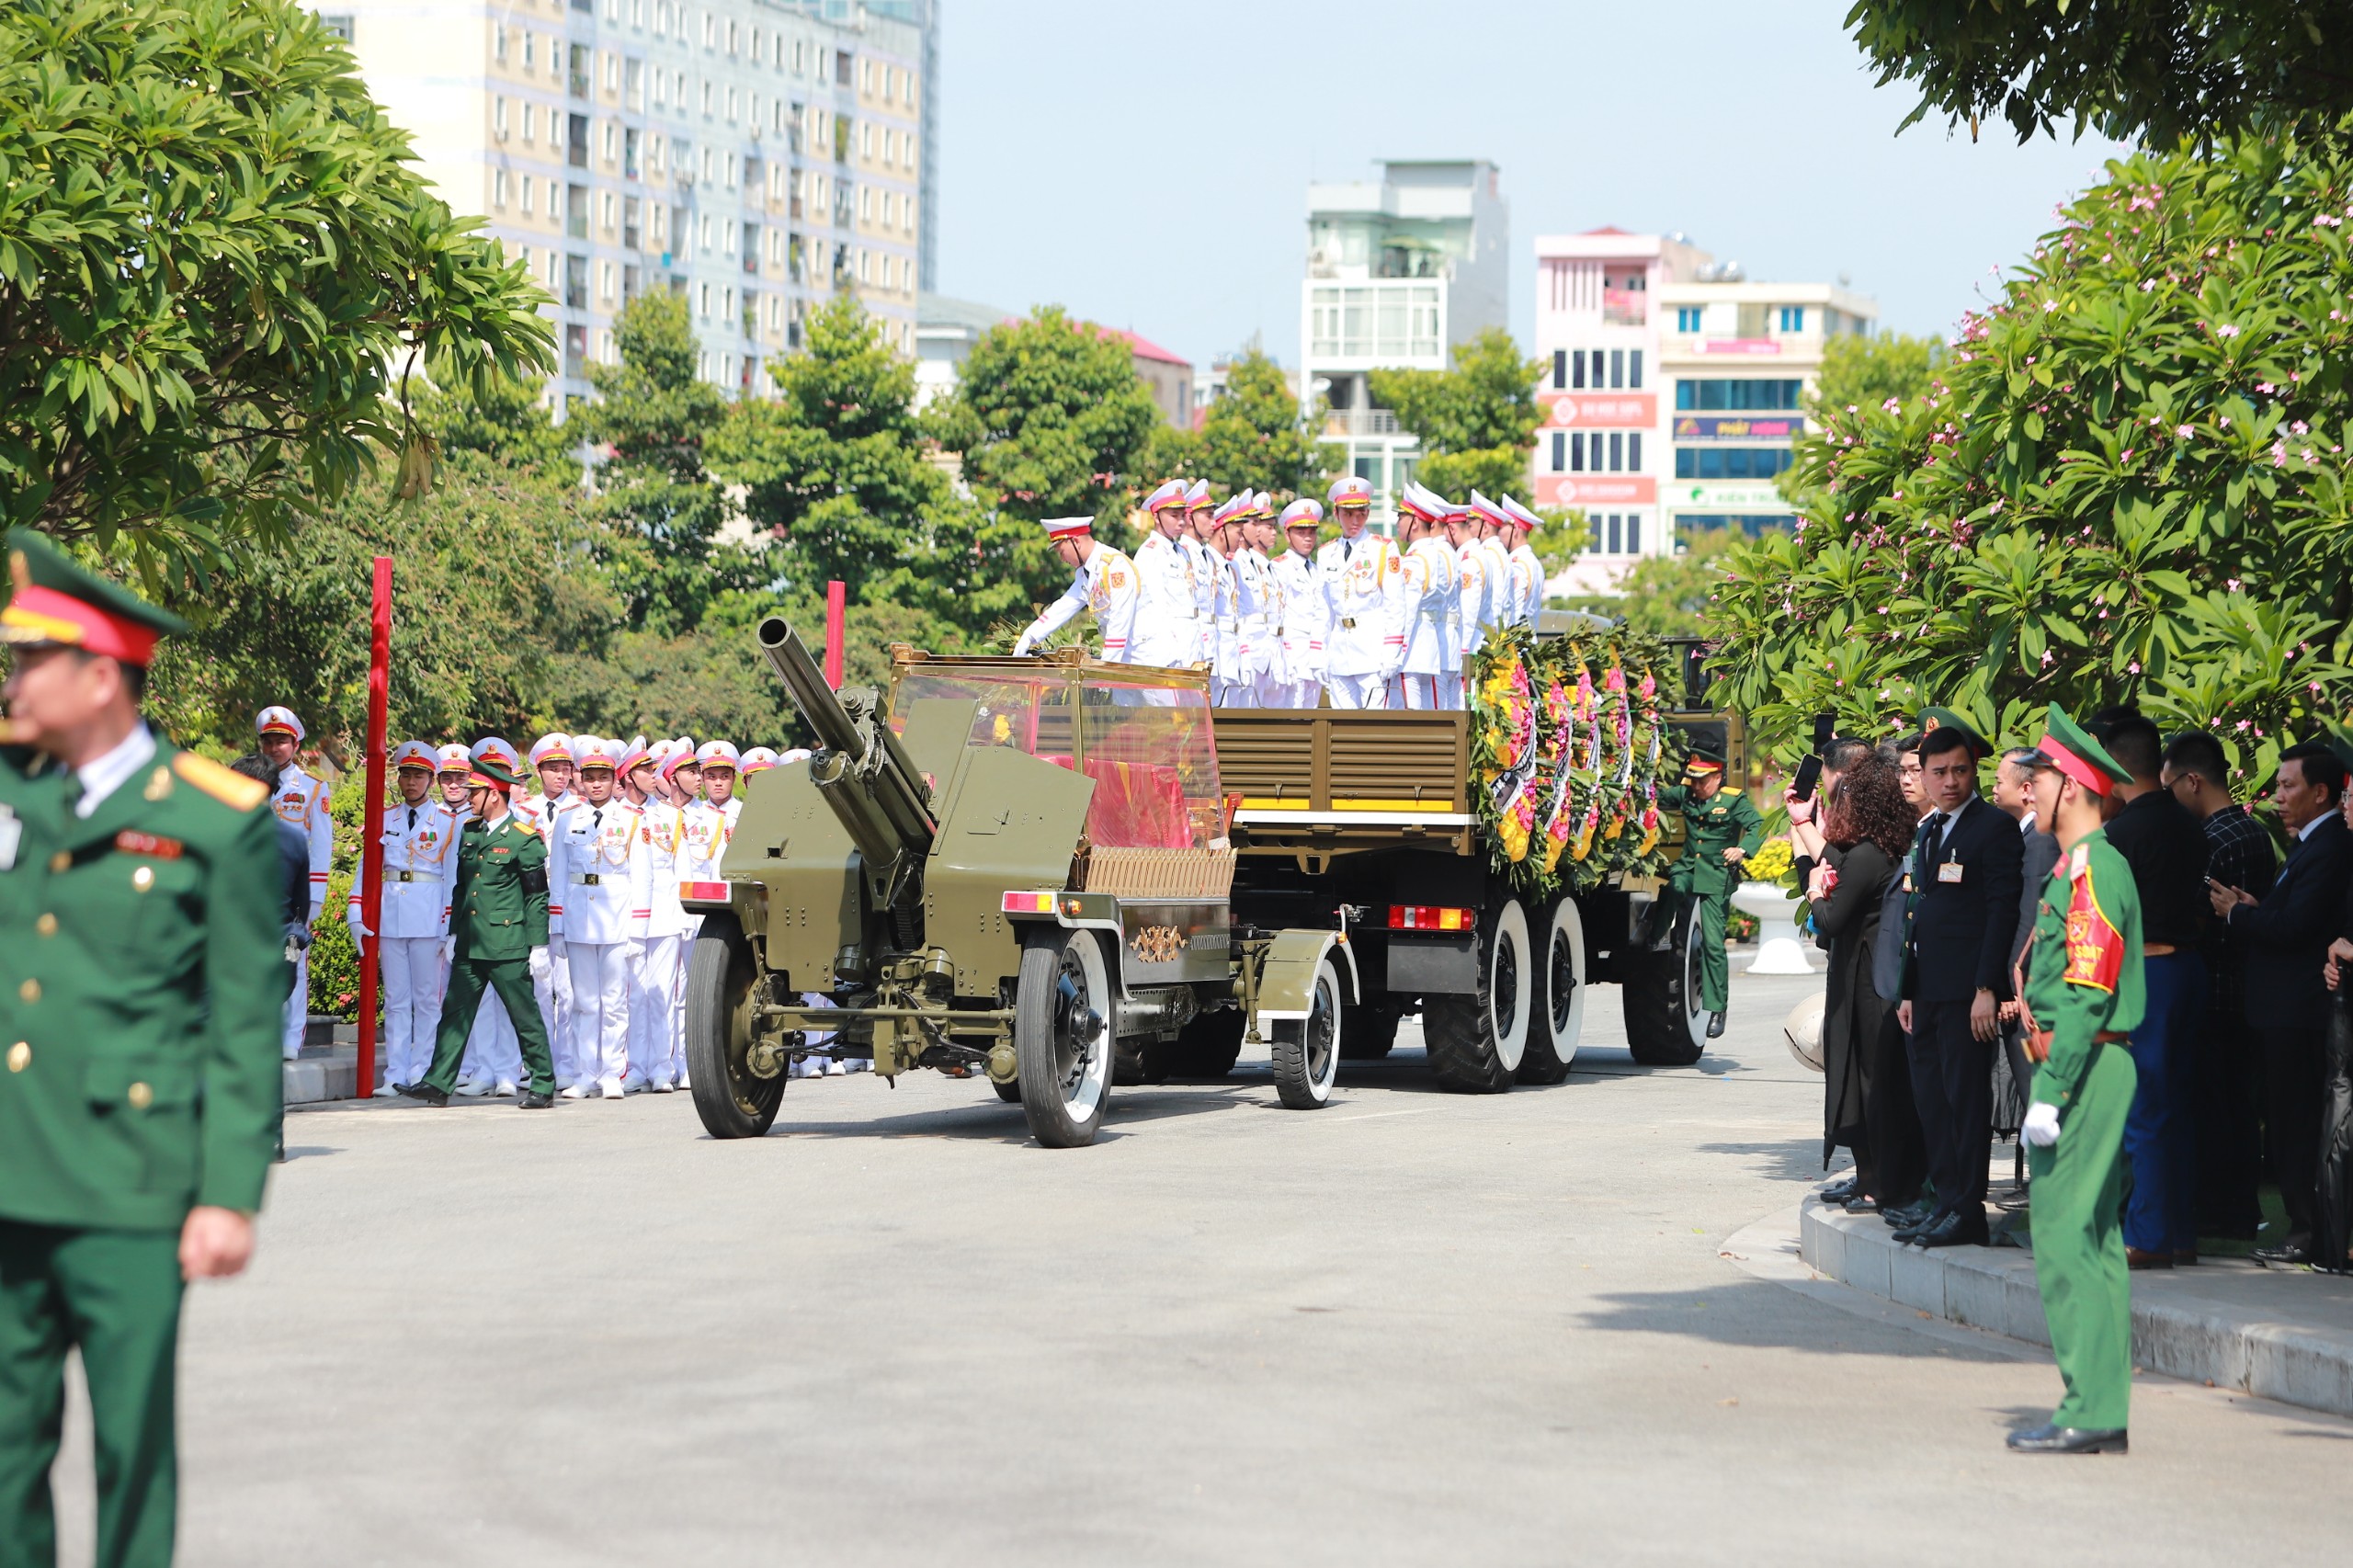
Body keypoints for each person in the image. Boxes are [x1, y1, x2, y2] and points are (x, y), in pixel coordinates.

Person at [1, 528, 283, 1564]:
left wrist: (227, 1192)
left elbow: (245, 1023)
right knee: (3, 1453)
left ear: (103, 674)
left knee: (130, 1451)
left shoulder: (214, 821)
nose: (15, 677)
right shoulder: (11, 791)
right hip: (8, 1174)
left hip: (129, 1187)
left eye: (33, 658)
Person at [2004, 707, 2143, 1454]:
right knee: (2094, 1239)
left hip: (2080, 1064)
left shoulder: (2093, 867)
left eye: (2043, 778)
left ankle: (2089, 1405)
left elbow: (2088, 991)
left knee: (2062, 1235)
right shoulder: (2079, 865)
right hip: (2083, 1060)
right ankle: (2099, 1405)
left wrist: (2051, 1093)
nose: (2031, 791)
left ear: (2077, 786)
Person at [2210, 741, 2353, 1265]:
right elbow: (2289, 913)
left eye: (2289, 786)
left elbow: (2298, 927)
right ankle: (2305, 1224)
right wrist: (2256, 907)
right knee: (2288, 1119)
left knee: (2298, 1123)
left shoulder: (2333, 843)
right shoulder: (2310, 843)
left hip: (2300, 1011)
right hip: (2280, 1010)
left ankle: (2309, 1228)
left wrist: (2237, 916)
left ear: (2322, 792)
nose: (2278, 797)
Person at [1895, 712, 2024, 1249]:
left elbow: (2001, 912)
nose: (1950, 781)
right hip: (1926, 992)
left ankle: (1967, 1210)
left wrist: (1987, 989)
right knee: (1932, 1099)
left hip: (1968, 993)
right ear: (1923, 775)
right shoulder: (1929, 830)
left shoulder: (1990, 828)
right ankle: (1946, 1200)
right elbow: (1917, 914)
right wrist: (1907, 989)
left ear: (1974, 772)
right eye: (1940, 772)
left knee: (1964, 1102)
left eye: (1961, 771)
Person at [2091, 711, 2211, 1267]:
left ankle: (2147, 1236)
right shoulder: (2190, 822)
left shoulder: (2119, 835)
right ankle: (2180, 1233)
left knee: (2143, 1110)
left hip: (2146, 975)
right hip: (2187, 969)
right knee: (2181, 1106)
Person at [2162, 728, 2278, 1244]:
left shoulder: (2211, 840)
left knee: (2212, 1105)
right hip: (2247, 989)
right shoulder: (2253, 832)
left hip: (2212, 988)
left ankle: (2222, 1208)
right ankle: (2240, 1205)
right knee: (2236, 1105)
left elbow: (2197, 918)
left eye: (2168, 788)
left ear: (2192, 782)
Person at [401, 756, 558, 1110]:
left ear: (495, 795)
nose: (468, 796)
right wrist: (454, 932)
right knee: (454, 1012)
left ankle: (543, 1083)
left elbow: (536, 896)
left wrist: (538, 946)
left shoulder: (524, 838)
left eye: (475, 792)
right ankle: (438, 1082)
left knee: (524, 1016)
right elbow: (462, 888)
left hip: (506, 944)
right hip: (471, 942)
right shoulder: (470, 832)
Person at [1805, 752, 1919, 1210]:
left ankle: (1878, 1182)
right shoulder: (1882, 849)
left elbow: (1831, 919)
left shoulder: (1869, 855)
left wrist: (1814, 892)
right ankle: (1871, 1180)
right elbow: (1844, 864)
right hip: (1869, 982)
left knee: (1867, 1085)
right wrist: (1805, 829)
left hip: (1865, 988)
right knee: (1866, 1084)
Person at [344, 740, 459, 1096]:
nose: (411, 783)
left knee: (427, 999)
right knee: (395, 999)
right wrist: (354, 909)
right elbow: (367, 868)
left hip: (427, 918)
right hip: (390, 917)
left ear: (431, 779)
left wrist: (448, 927)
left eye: (419, 776)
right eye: (406, 775)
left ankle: (422, 1069)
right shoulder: (385, 817)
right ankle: (395, 1072)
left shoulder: (447, 822)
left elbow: (452, 877)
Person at [549, 737, 649, 1099]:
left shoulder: (632, 820)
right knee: (583, 1002)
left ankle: (611, 1072)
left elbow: (643, 877)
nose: (595, 783)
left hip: (616, 914)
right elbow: (557, 876)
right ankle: (583, 1073)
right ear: (580, 778)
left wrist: (638, 929)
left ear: (614, 779)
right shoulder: (566, 821)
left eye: (602, 776)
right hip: (578, 915)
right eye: (589, 776)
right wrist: (556, 925)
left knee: (614, 1001)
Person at [1653, 746, 1765, 1039]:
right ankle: (1656, 937)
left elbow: (1758, 826)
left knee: (1714, 946)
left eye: (1703, 781)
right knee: (1673, 888)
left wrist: (1742, 849)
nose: (1697, 787)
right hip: (1689, 868)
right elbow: (1655, 796)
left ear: (1717, 777)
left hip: (1716, 876)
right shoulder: (1686, 793)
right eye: (1693, 780)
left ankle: (1717, 1009)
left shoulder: (1732, 799)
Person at [1989, 746, 2063, 1192]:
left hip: (2028, 996)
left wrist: (2013, 987)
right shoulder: (2027, 835)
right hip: (2024, 991)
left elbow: (2029, 922)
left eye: (2000, 780)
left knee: (2036, 1087)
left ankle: (2046, 1187)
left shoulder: (2038, 841)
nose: (1993, 787)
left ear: (2027, 788)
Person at [255, 704, 331, 1060]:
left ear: (296, 744)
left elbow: (322, 846)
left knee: (292, 960)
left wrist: (314, 899)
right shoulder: (249, 781)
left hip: (292, 891)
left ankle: (290, 1037)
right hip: (255, 890)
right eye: (268, 741)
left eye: (282, 741)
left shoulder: (313, 789)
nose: (274, 748)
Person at [630, 742, 698, 1093]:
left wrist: (686, 916)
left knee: (664, 994)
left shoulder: (670, 817)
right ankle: (633, 1065)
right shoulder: (613, 816)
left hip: (666, 916)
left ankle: (662, 1065)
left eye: (657, 771)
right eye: (647, 771)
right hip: (622, 918)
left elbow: (682, 869)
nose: (655, 778)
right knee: (630, 995)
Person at [1314, 476, 1400, 709]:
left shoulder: (1382, 549)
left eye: (1361, 513)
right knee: (1341, 727)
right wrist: (1318, 655)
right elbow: (1323, 610)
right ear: (1336, 512)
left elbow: (1395, 605)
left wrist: (1392, 652)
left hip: (1372, 650)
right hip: (1339, 651)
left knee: (1375, 727)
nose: (1355, 520)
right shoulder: (1326, 553)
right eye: (1348, 514)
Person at [1012, 516, 1140, 662]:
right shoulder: (1086, 573)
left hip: (1141, 655)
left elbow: (1119, 623)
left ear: (1076, 542)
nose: (1062, 559)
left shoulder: (1115, 567)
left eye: (1062, 552)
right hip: (1121, 656)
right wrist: (1030, 636)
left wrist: (1105, 672)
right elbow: (1063, 607)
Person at [1390, 486, 1460, 710]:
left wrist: (1396, 648)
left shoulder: (1415, 559)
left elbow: (1407, 609)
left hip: (1412, 646)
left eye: (1401, 518)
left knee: (1411, 712)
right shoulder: (1437, 554)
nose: (1398, 523)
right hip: (1429, 639)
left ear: (1415, 523)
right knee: (1431, 711)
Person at [1129, 482, 1201, 671]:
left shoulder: (1182, 552)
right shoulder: (1150, 552)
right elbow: (1157, 606)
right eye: (1174, 515)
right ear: (1156, 516)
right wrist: (1171, 651)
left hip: (1190, 642)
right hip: (1169, 649)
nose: (1181, 521)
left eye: (1183, 515)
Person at [1272, 500, 1327, 708]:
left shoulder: (1318, 569)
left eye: (1312, 532)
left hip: (1315, 653)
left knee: (1312, 712)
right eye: (1301, 531)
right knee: (1292, 713)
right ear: (1287, 534)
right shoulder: (1279, 568)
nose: (1307, 537)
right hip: (1292, 652)